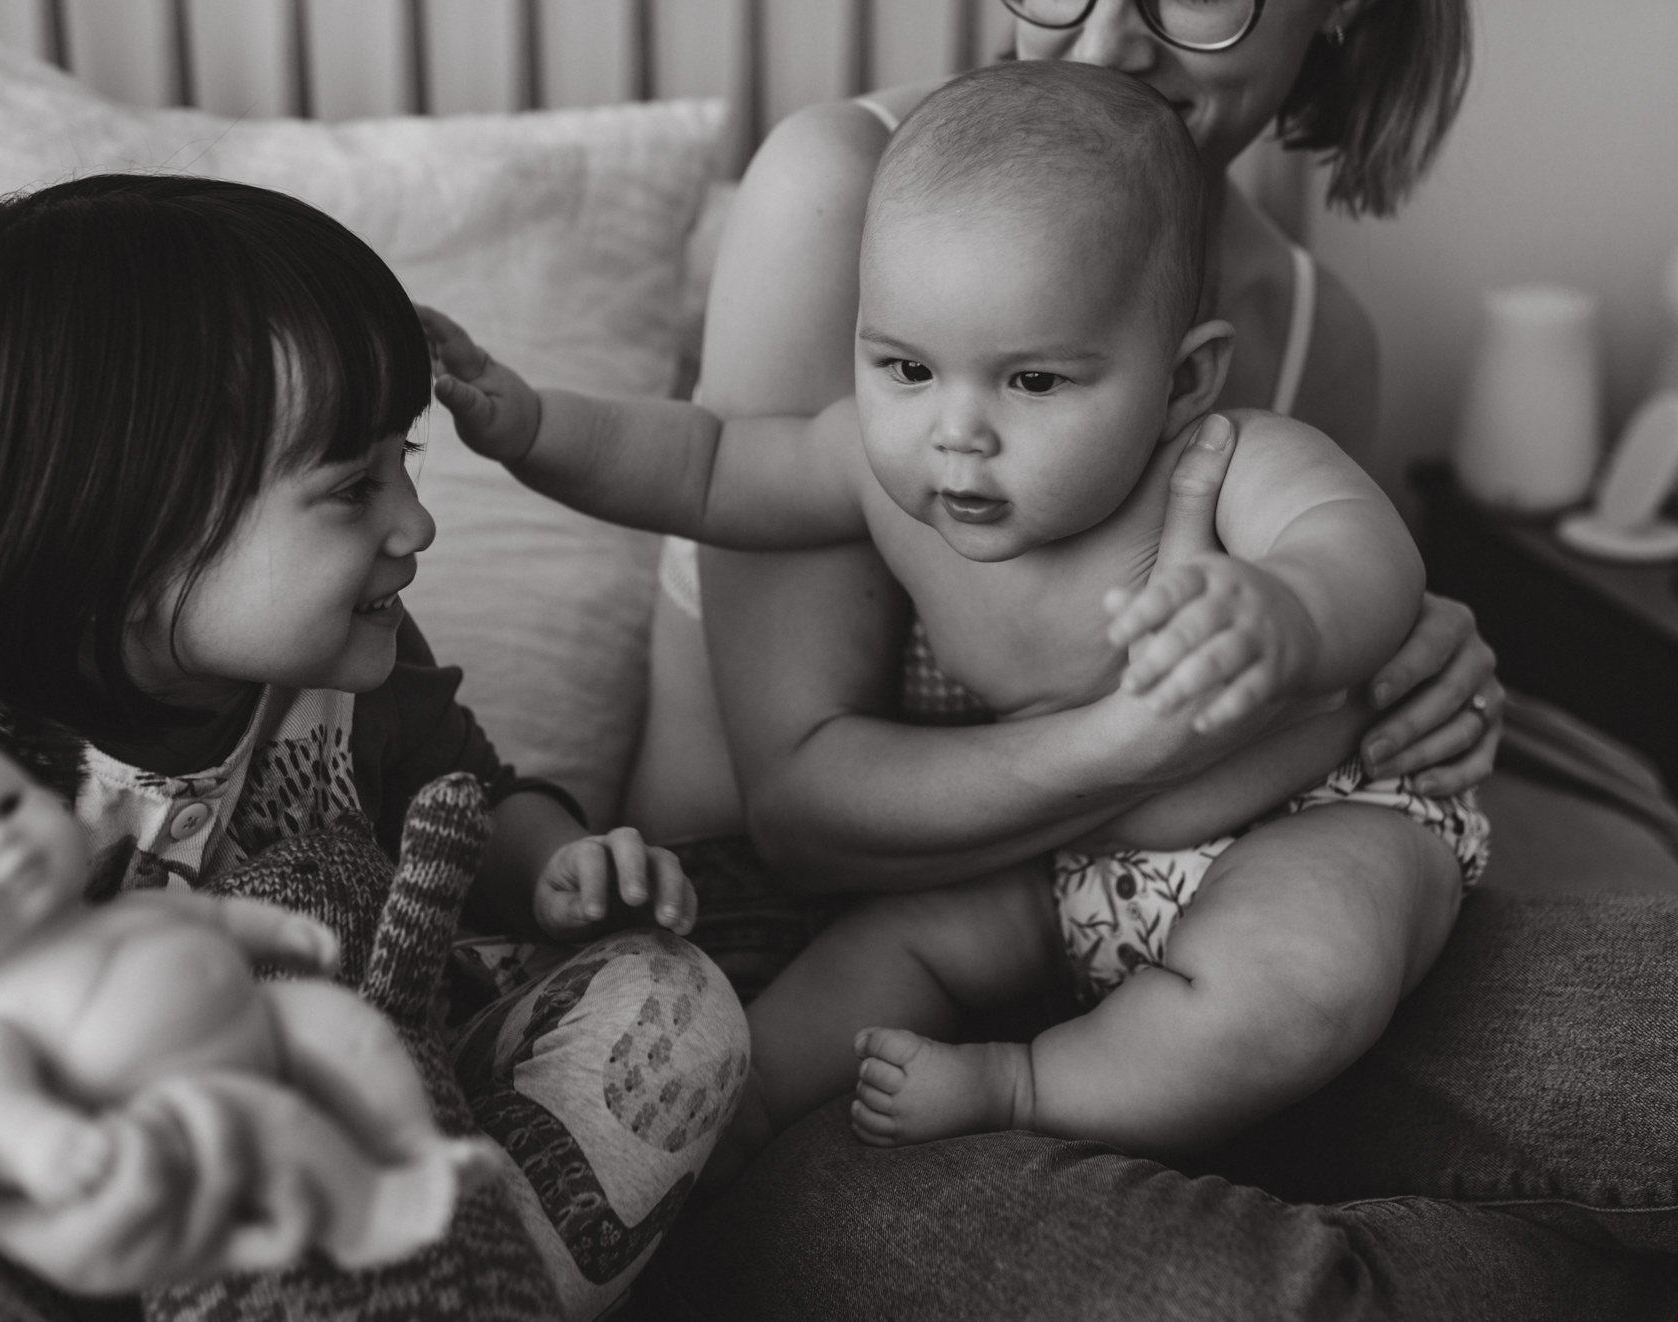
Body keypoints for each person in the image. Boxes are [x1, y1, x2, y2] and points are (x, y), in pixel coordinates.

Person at [604, 0, 1678, 1317]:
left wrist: (1394, 643)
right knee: (1254, 1293)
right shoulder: (847, 187)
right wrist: (1155, 735)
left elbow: (1315, 597)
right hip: (842, 990)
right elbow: (805, 819)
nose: (1108, 40)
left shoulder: (1313, 333)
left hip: (1192, 950)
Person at [0, 174, 746, 1322]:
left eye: (406, 460)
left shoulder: (355, 670)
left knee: (673, 997)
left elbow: (470, 800)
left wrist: (557, 867)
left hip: (349, 1135)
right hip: (43, 1186)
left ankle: (446, 1288)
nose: (414, 522)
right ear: (121, 530)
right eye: (353, 487)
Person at [426, 56, 1486, 1168]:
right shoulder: (881, 471)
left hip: (1300, 825)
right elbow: (707, 465)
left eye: (1033, 382)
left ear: (1181, 384)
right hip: (1061, 861)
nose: (956, 433)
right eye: (905, 366)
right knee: (889, 952)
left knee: (1298, 981)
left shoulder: (1227, 460)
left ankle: (1028, 1087)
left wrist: (1287, 613)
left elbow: (1361, 548)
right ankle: (729, 1122)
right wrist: (534, 428)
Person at [0, 710, 498, 1268]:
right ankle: (367, 1215)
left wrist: (276, 932)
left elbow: (208, 919)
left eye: (6, 805)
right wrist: (46, 1142)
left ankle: (410, 1146)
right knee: (266, 1120)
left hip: (263, 1021)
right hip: (171, 1112)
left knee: (348, 1028)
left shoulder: (120, 914)